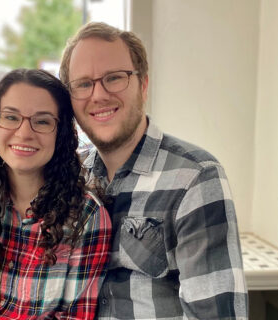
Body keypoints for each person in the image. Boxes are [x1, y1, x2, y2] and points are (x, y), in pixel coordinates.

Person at [59, 22, 248, 319]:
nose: (98, 95)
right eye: (83, 84)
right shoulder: (70, 176)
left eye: (114, 78)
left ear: (143, 84)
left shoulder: (195, 178)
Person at [0, 69, 111, 319]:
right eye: (11, 117)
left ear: (61, 135)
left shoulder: (88, 216)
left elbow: (75, 316)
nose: (24, 133)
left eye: (42, 121)